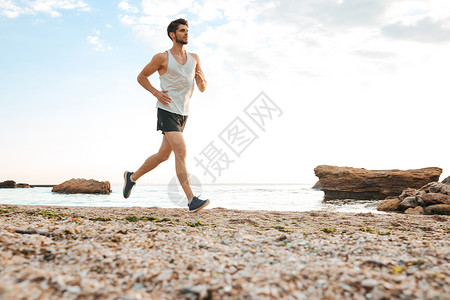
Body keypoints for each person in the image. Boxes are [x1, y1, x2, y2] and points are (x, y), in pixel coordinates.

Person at [123, 18, 209, 213]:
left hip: (183, 113)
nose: (186, 33)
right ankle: (191, 200)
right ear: (172, 35)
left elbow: (203, 88)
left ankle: (132, 177)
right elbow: (141, 77)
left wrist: (201, 79)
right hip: (167, 110)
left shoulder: (195, 58)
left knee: (163, 155)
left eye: (187, 30)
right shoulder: (161, 58)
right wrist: (156, 93)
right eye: (182, 31)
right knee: (181, 151)